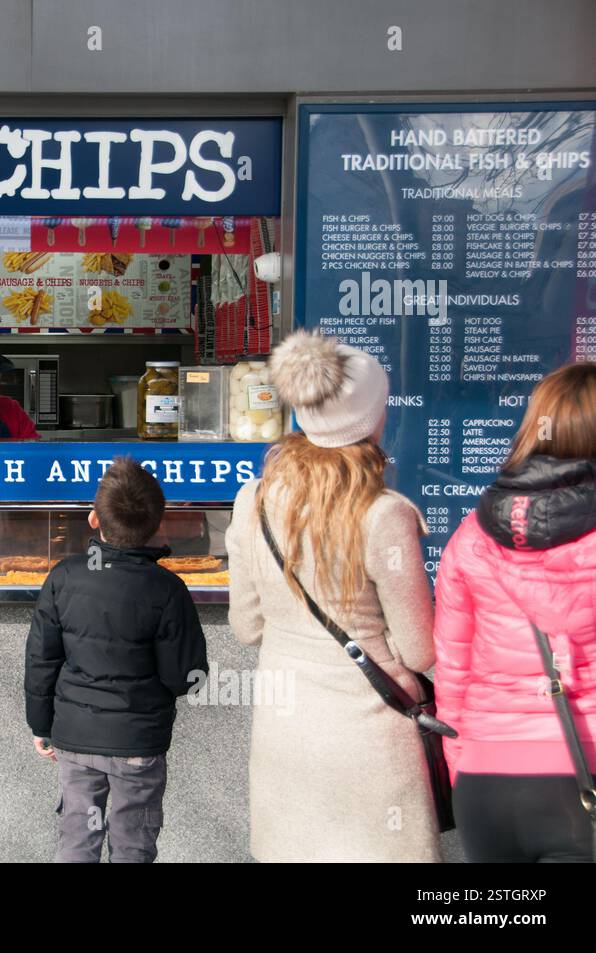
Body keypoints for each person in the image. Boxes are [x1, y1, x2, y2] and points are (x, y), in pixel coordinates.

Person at [226, 330, 441, 862]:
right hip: (370, 737)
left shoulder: (252, 499)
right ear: (373, 419)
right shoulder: (384, 513)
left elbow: (247, 627)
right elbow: (418, 652)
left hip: (287, 732)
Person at [433, 362, 596, 863]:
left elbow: (452, 675)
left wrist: (466, 768)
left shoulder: (472, 535)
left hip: (488, 784)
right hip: (583, 777)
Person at [25, 458, 208, 863]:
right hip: (137, 744)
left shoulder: (64, 577)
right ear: (159, 523)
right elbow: (185, 678)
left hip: (74, 739)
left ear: (93, 519)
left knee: (76, 838)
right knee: (132, 843)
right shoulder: (168, 589)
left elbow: (41, 660)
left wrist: (41, 725)